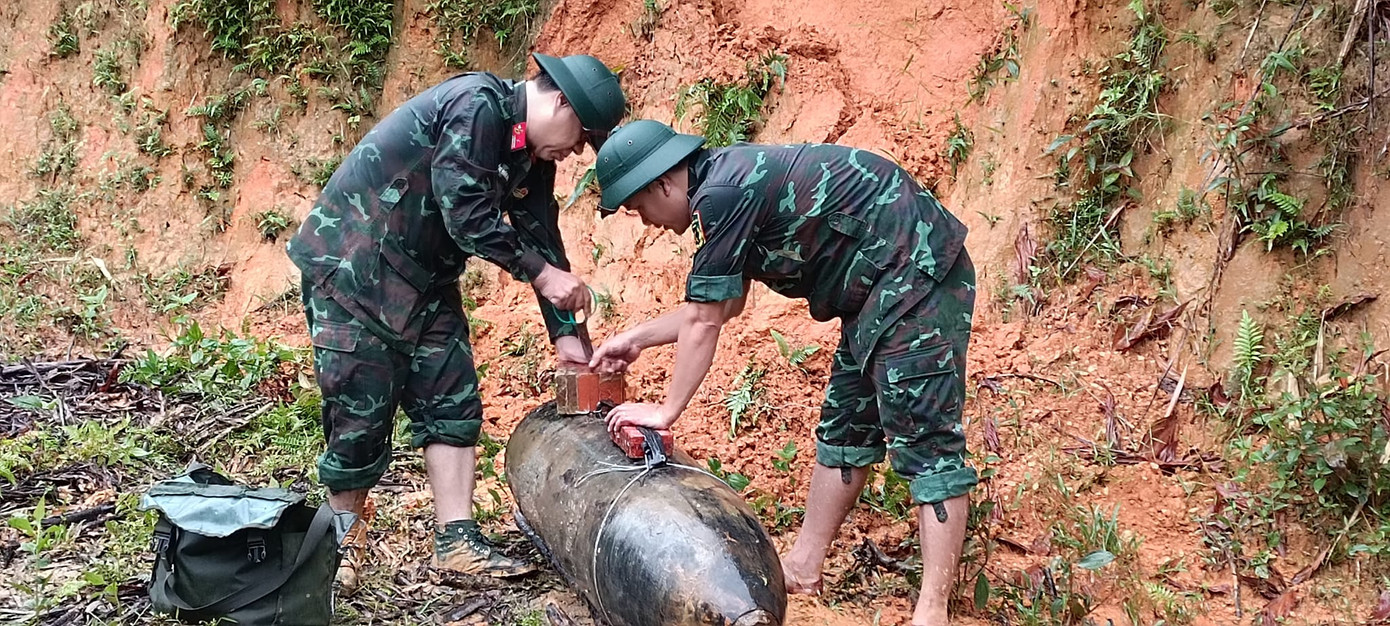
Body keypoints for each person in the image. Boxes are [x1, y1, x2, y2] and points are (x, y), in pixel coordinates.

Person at [587, 120, 977, 625]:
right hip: (878, 294)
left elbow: (707, 320)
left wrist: (666, 411)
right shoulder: (723, 188)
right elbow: (722, 305)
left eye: (640, 208)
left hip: (916, 277)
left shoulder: (722, 194)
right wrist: (634, 339)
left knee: (926, 440)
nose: (646, 223)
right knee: (846, 423)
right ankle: (804, 565)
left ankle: (933, 609)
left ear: (664, 184)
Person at [286, 53, 626, 592]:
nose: (578, 149)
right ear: (560, 101)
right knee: (361, 409)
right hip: (355, 266)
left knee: (453, 396)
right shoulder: (478, 107)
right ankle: (342, 540)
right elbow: (464, 212)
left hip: (424, 278)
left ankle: (457, 543)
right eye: (581, 134)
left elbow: (540, 239)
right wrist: (542, 276)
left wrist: (566, 333)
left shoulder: (533, 157)